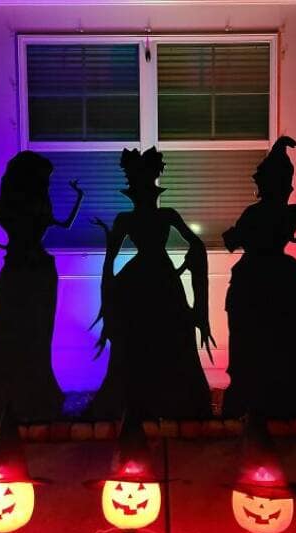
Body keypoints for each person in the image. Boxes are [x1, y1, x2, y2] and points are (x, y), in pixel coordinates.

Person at [86, 147, 214, 419]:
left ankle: (166, 398)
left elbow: (196, 244)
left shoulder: (165, 215)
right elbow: (109, 261)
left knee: (170, 333)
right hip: (147, 281)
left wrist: (192, 263)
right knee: (141, 334)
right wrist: (109, 302)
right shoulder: (128, 219)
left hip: (158, 279)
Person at [0, 151, 83, 422]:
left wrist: (9, 246)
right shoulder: (32, 208)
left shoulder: (16, 207)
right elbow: (65, 224)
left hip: (25, 267)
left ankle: (28, 390)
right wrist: (79, 196)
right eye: (45, 179)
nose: (47, 183)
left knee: (31, 330)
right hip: (33, 269)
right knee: (25, 328)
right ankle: (23, 391)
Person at [221, 137, 296, 418]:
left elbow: (233, 241)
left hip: (254, 277)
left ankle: (252, 393)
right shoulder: (294, 213)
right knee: (272, 334)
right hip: (278, 275)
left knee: (251, 336)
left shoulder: (256, 213)